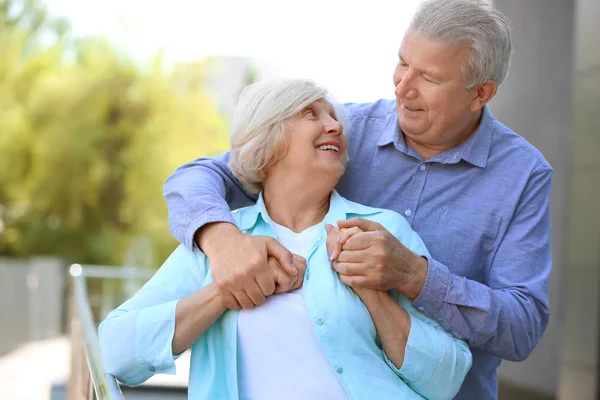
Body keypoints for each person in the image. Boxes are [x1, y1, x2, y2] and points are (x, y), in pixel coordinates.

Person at [162, 0, 553, 399]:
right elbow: (195, 178)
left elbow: (522, 328)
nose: (402, 87)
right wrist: (223, 241)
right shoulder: (339, 133)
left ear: (481, 94)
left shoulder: (523, 175)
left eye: (430, 78)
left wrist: (416, 277)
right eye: (403, 63)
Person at [100, 79, 472, 400]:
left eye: (334, 117)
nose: (335, 126)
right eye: (311, 114)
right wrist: (222, 290)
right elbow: (115, 352)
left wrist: (373, 293)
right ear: (267, 141)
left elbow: (447, 379)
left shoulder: (381, 230)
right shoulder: (220, 241)